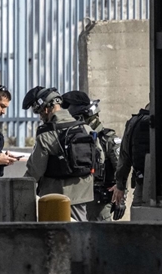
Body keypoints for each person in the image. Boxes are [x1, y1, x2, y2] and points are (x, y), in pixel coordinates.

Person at [22, 86, 103, 222]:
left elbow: (35, 170)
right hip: (83, 193)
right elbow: (100, 158)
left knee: (58, 231)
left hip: (56, 196)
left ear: (46, 109)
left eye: (40, 112)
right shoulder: (85, 128)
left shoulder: (46, 134)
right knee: (80, 227)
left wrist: (20, 187)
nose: (41, 117)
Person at [61, 91, 118, 222]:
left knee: (101, 232)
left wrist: (121, 197)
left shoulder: (107, 139)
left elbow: (121, 168)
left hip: (100, 199)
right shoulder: (72, 139)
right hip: (78, 196)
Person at [112, 104, 151, 210]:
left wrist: (120, 186)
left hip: (142, 183)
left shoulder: (135, 122)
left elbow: (124, 156)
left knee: (140, 216)